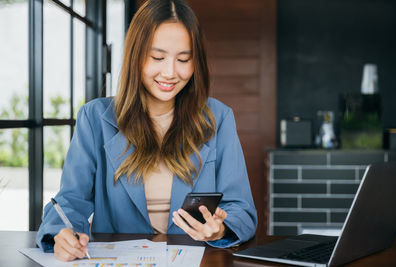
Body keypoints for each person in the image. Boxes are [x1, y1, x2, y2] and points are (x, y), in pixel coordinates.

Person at [36, 0, 257, 261]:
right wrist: (63, 233)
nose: (170, 72)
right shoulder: (95, 118)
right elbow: (70, 201)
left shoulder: (218, 118)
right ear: (136, 56)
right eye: (158, 57)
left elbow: (241, 209)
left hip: (197, 262)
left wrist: (220, 228)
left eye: (184, 59)